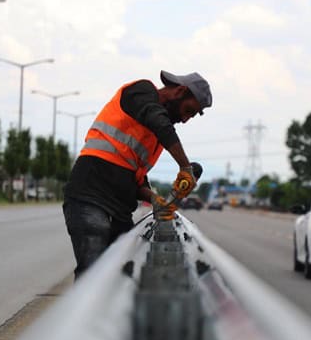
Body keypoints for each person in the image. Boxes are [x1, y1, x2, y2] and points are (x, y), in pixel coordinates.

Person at [62, 70, 212, 280]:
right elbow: (159, 121)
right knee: (93, 274)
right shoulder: (141, 92)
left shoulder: (153, 137)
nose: (185, 119)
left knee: (120, 275)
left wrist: (155, 199)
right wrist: (185, 167)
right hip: (90, 196)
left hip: (119, 209)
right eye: (188, 110)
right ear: (179, 91)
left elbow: (134, 178)